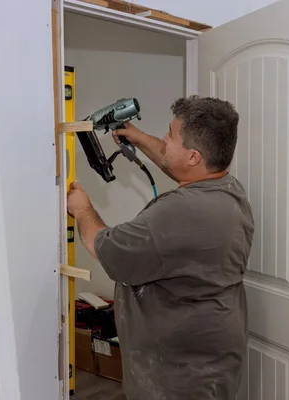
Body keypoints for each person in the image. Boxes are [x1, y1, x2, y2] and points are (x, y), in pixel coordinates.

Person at [67, 95, 255, 400]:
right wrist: (138, 138)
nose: (163, 139)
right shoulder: (228, 189)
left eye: (170, 134)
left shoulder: (178, 213)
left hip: (177, 376)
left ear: (194, 156)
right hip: (212, 359)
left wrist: (83, 209)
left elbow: (107, 247)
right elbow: (182, 168)